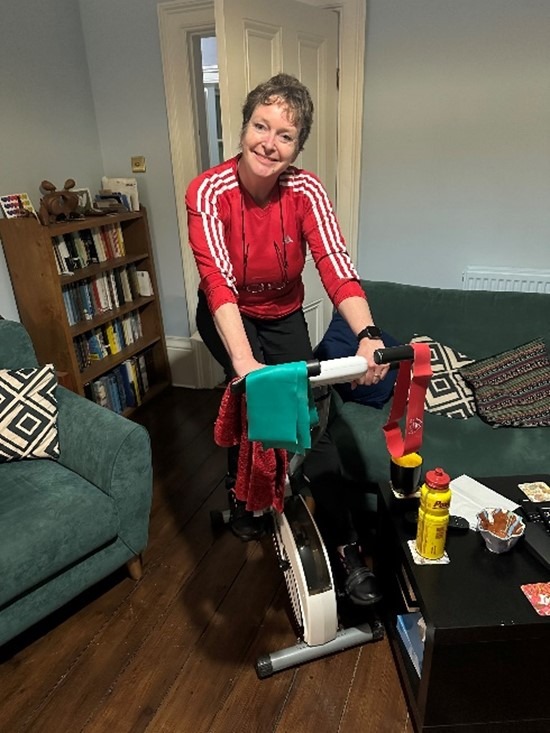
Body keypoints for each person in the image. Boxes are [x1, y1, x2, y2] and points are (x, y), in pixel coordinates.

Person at [185, 73, 389, 606]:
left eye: (285, 135)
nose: (268, 143)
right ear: (245, 126)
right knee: (254, 396)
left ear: (297, 147)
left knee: (310, 418)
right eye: (261, 126)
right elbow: (218, 286)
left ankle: (345, 549)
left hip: (282, 311)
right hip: (226, 312)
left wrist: (366, 334)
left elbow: (336, 268)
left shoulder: (305, 190)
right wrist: (247, 365)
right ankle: (244, 499)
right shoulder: (209, 192)